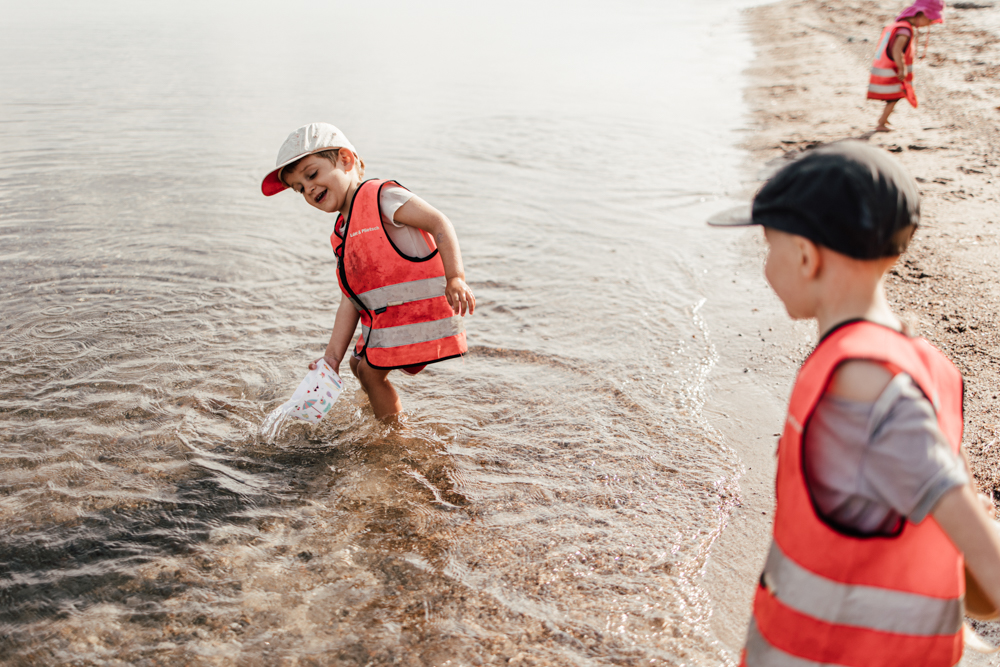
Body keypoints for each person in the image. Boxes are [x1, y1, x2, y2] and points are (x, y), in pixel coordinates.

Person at [709, 141, 1000, 666]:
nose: (766, 265)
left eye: (767, 245)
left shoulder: (861, 386)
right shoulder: (922, 364)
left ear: (805, 254)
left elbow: (990, 567)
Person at [262, 122, 475, 421]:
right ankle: (377, 412)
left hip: (423, 313)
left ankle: (392, 435)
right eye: (299, 189)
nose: (308, 189)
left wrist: (456, 278)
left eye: (312, 174)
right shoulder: (342, 234)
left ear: (346, 160)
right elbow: (350, 300)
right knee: (356, 364)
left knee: (371, 374)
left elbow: (439, 223)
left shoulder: (382, 197)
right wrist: (331, 359)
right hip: (395, 320)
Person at [868, 0, 944, 132]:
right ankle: (881, 123)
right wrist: (902, 68)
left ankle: (884, 120)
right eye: (930, 20)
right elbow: (897, 50)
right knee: (894, 98)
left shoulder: (899, 25)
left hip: (885, 69)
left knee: (893, 98)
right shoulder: (905, 30)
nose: (929, 24)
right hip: (893, 71)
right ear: (920, 14)